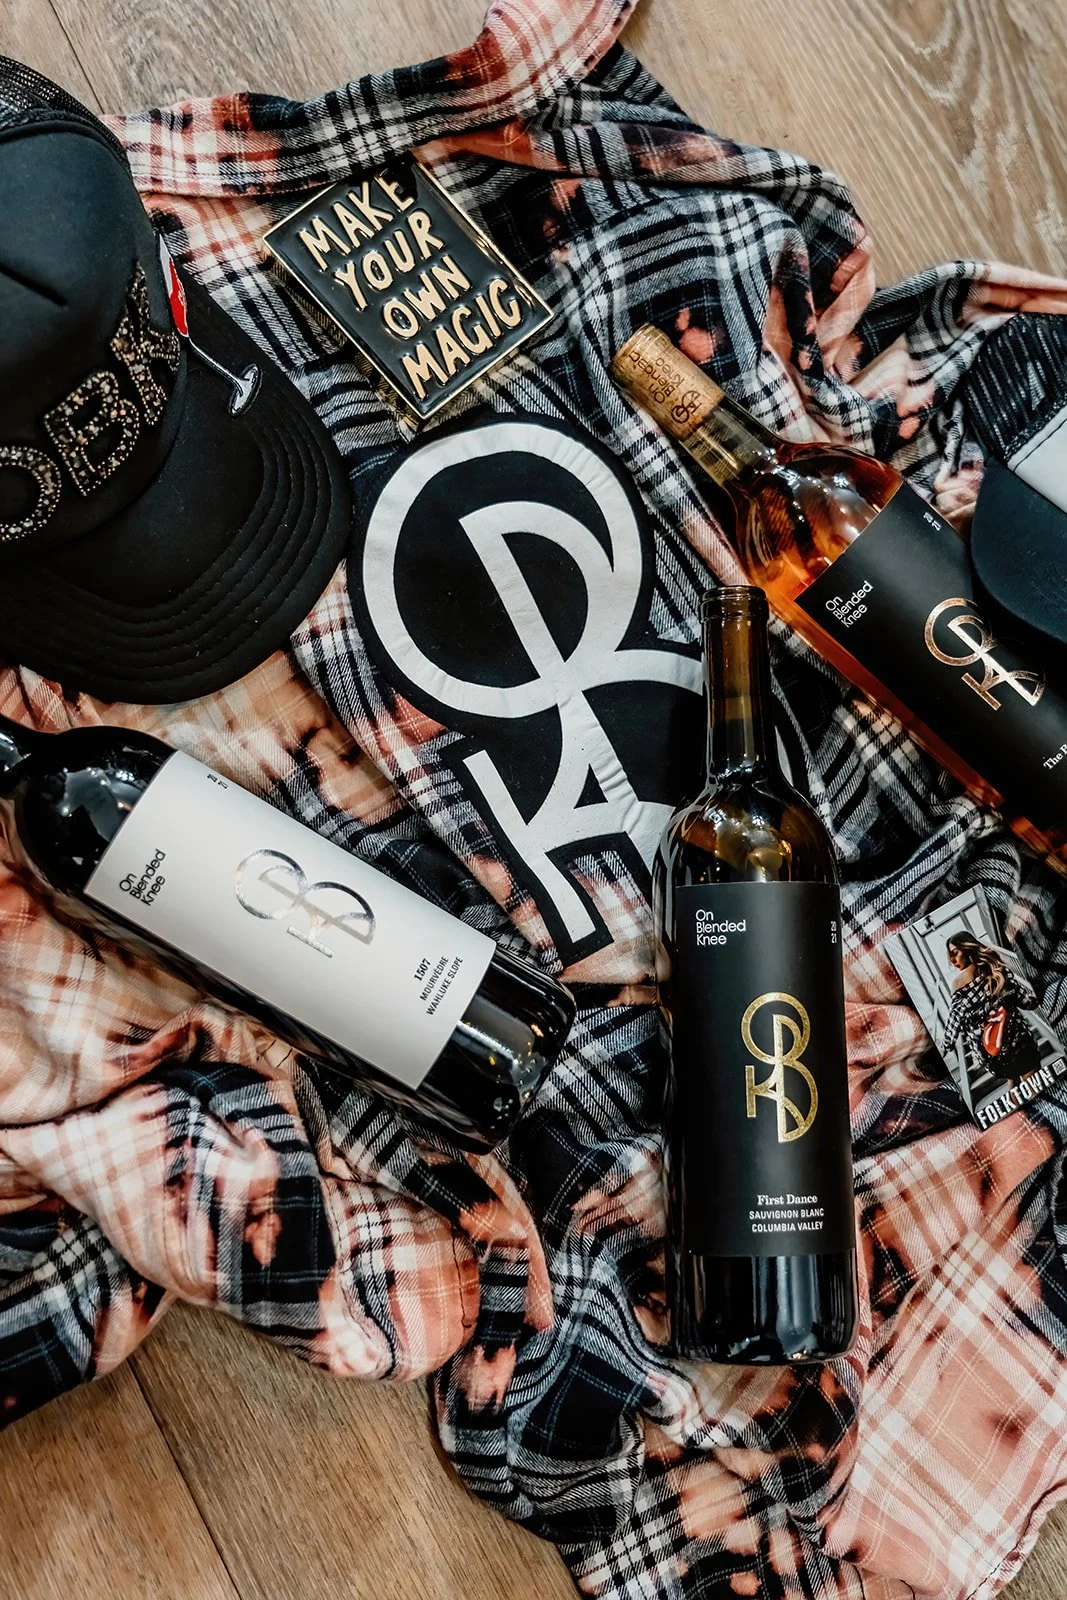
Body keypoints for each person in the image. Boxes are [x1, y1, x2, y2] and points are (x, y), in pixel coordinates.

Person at [942, 931, 1040, 1090]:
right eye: (950, 955)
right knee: (1036, 1088)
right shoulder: (996, 969)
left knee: (1013, 1087)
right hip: (1018, 1042)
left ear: (968, 948)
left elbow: (955, 1020)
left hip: (994, 1055)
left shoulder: (958, 984)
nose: (952, 960)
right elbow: (1026, 1002)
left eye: (955, 953)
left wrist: (945, 1046)